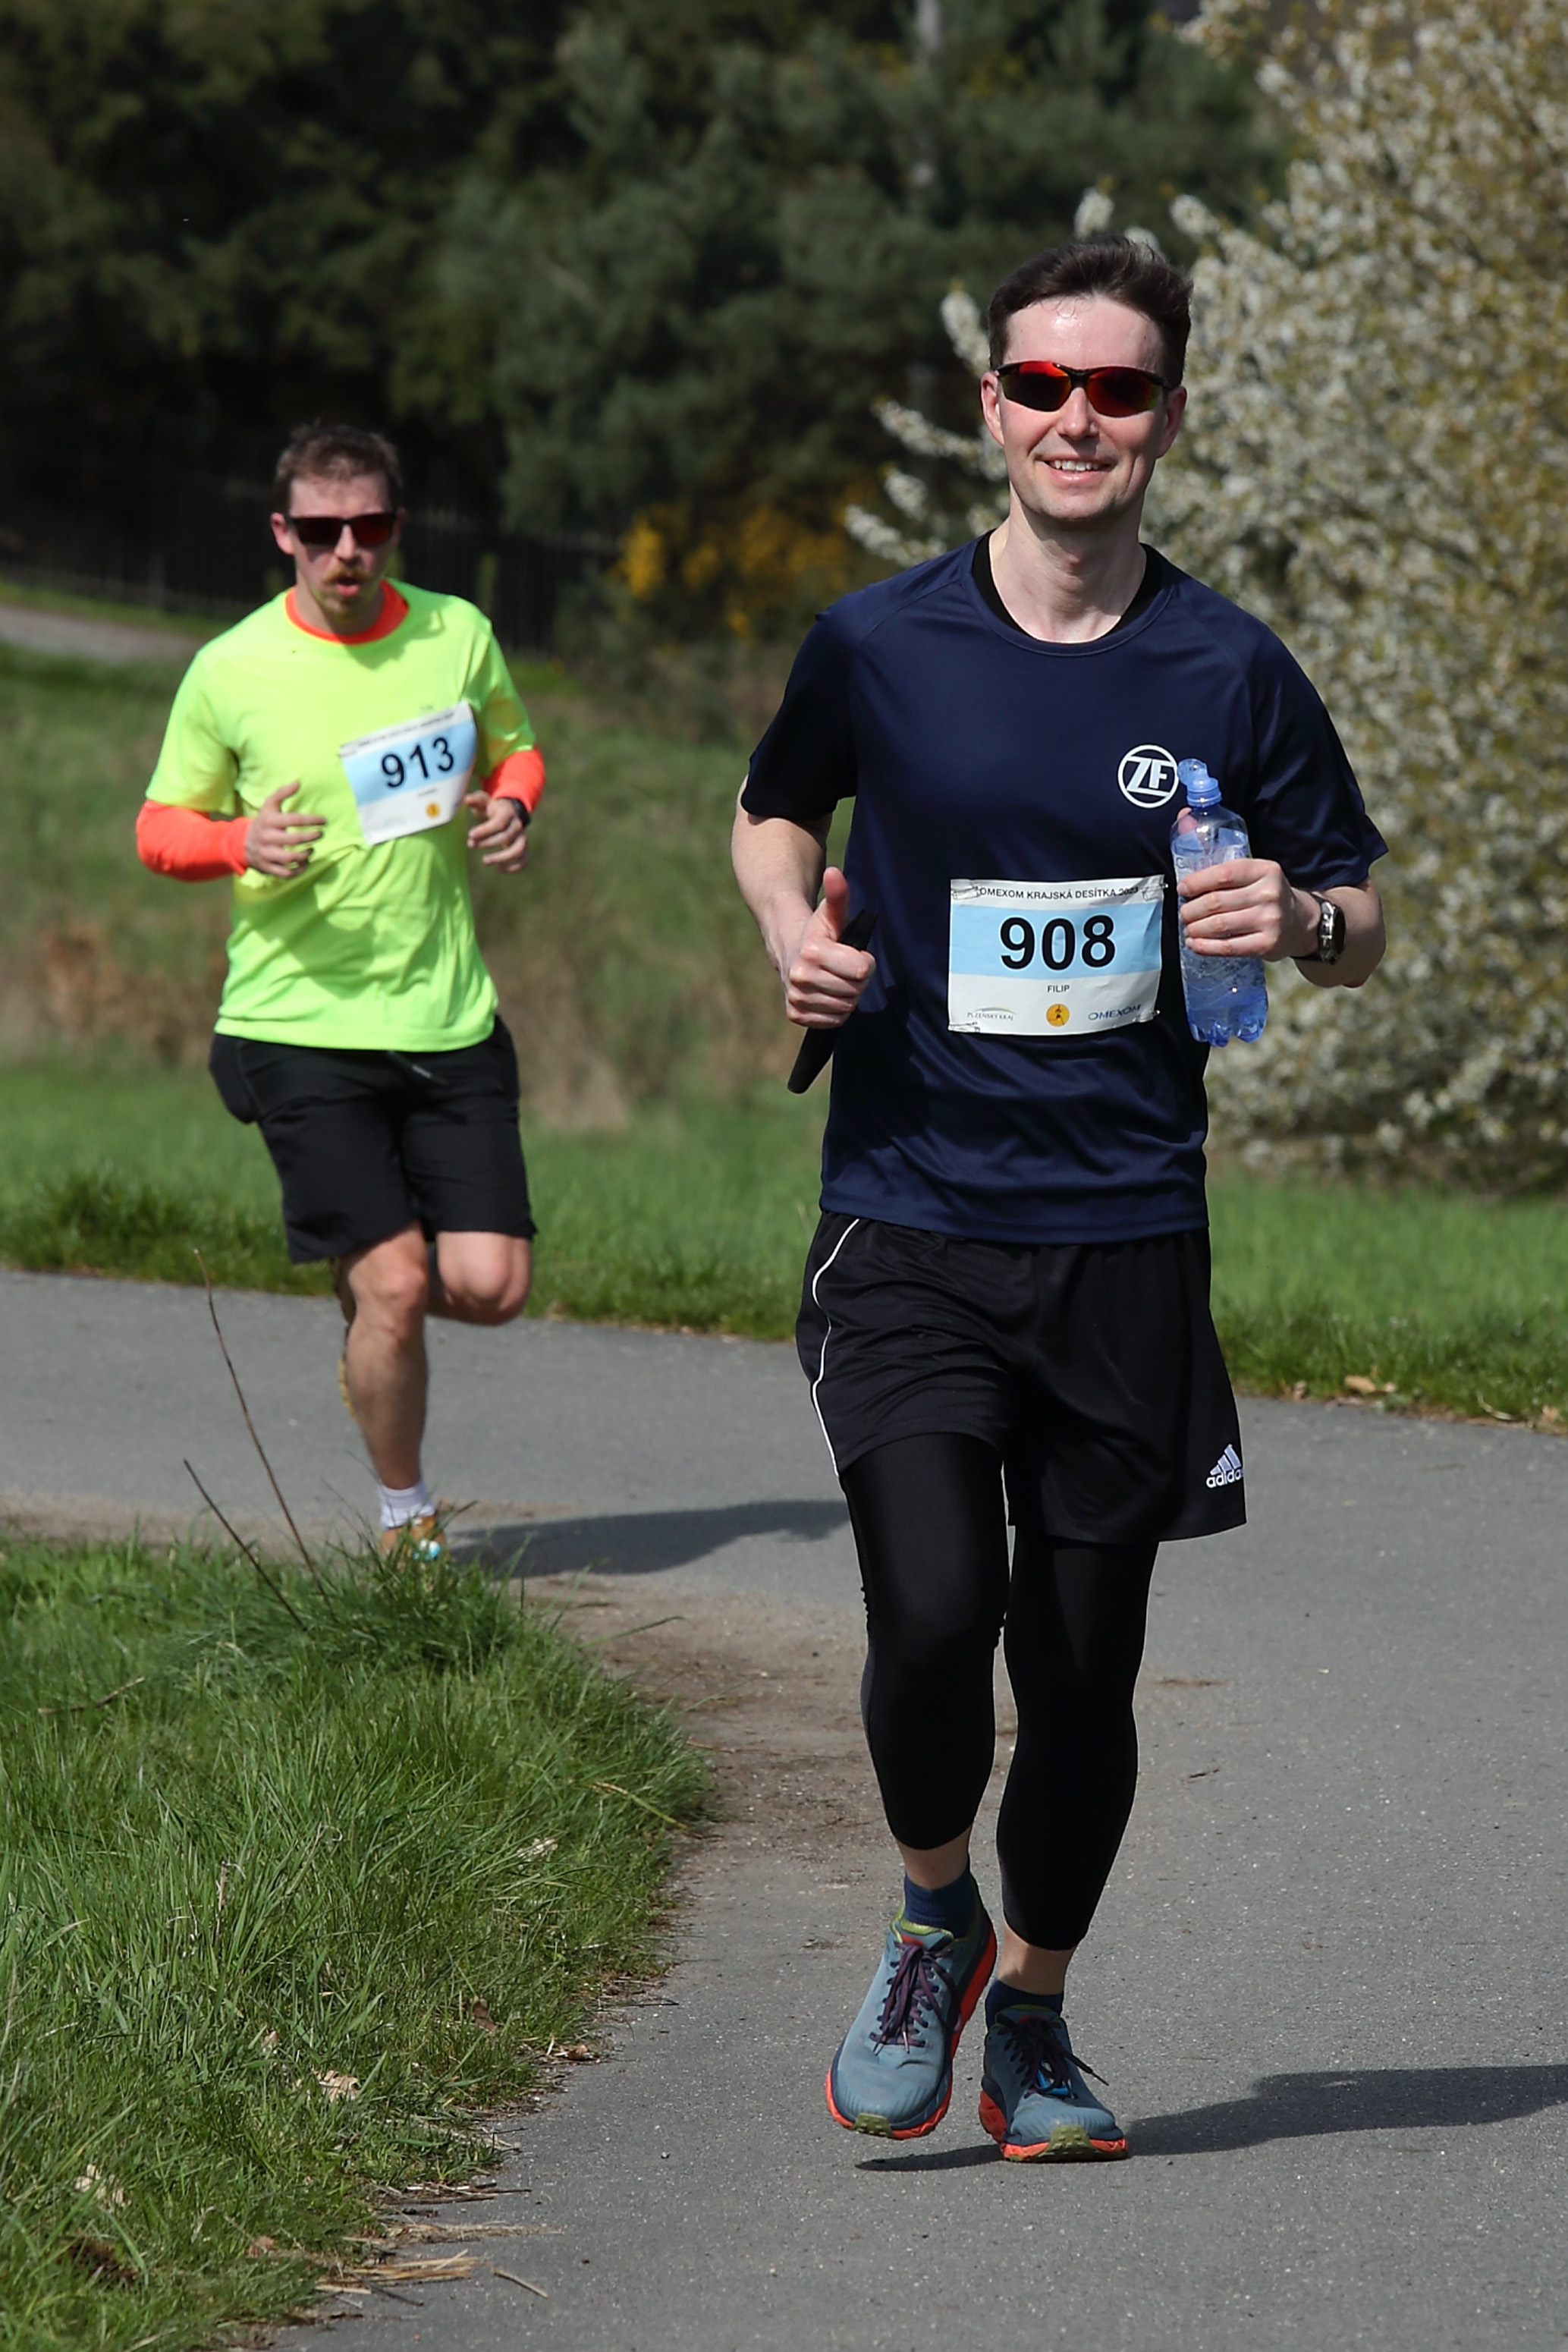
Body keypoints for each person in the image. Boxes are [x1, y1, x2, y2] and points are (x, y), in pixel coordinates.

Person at [732, 238, 1386, 2162]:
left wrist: (1299, 918)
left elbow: (1356, 907)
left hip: (1122, 1231)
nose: (1073, 419)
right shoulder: (879, 641)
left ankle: (1030, 2011)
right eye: (1040, 384)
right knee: (936, 1610)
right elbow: (773, 808)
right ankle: (931, 1907)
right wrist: (788, 934)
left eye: (1114, 389)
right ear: (990, 403)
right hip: (908, 1210)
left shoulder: (1227, 667)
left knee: (1080, 1673)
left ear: (1166, 416)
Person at [137, 422, 543, 1558]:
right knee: (403, 1285)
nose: (346, 549)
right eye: (321, 531)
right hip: (296, 1020)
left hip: (446, 1014)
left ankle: (370, 1303)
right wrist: (237, 842)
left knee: (493, 1286)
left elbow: (515, 750)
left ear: (397, 528)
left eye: (367, 526)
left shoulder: (457, 635)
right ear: (284, 534)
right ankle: (407, 1525)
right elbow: (158, 826)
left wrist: (514, 806)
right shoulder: (232, 668)